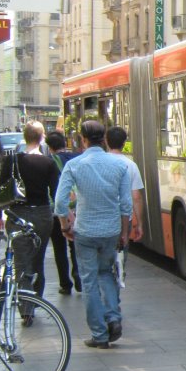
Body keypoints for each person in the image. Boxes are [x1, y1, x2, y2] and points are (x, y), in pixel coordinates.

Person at [53, 120, 132, 349]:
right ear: (104, 139)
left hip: (85, 231)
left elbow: (60, 202)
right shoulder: (120, 165)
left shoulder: (75, 165)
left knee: (89, 281)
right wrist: (124, 233)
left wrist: (65, 226)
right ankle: (114, 317)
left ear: (83, 139)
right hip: (111, 230)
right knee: (107, 273)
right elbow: (126, 205)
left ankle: (99, 334)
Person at [0, 121, 59, 320]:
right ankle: (35, 298)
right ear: (42, 138)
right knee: (38, 259)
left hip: (18, 215)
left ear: (24, 136)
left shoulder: (12, 160)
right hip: (42, 215)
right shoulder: (49, 163)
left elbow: (1, 188)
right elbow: (55, 192)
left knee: (22, 263)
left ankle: (26, 308)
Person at [46, 130, 82, 294]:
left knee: (59, 248)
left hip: (57, 211)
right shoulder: (77, 158)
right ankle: (79, 276)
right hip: (77, 208)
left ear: (49, 147)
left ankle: (65, 284)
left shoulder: (49, 161)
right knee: (75, 245)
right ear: (64, 143)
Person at [107, 125, 145, 248]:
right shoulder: (131, 165)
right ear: (124, 143)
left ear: (106, 142)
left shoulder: (100, 163)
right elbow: (136, 197)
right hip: (124, 218)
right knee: (120, 250)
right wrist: (139, 223)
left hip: (104, 217)